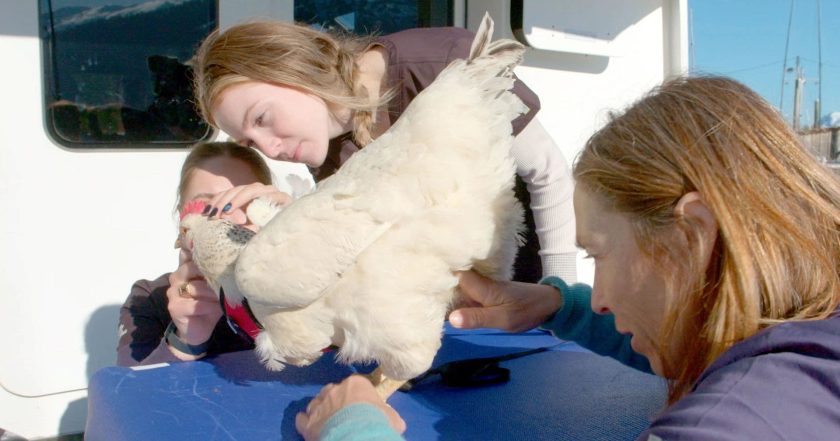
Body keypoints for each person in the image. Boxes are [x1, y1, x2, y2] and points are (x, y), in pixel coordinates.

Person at [294, 76, 840, 441]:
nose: (599, 297)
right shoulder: (812, 340)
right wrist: (559, 306)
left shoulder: (738, 422)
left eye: (599, 255)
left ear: (692, 235)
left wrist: (352, 429)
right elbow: (702, 336)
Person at [192, 20, 577, 284]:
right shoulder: (327, 150)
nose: (271, 148)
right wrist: (285, 217)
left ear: (295, 69)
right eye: (250, 143)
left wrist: (559, 290)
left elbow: (547, 172)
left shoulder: (442, 62)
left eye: (262, 117)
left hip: (527, 271)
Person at [117, 141, 291, 366]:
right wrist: (185, 342)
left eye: (245, 205)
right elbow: (128, 396)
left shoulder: (300, 285)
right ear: (182, 215)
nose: (225, 220)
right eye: (207, 207)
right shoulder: (149, 298)